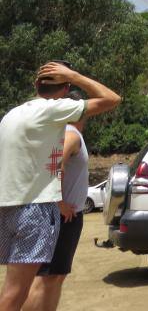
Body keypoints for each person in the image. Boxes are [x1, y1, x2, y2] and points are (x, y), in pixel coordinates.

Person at [0, 62, 121, 311]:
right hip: (34, 211)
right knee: (18, 293)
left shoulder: (12, 115)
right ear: (65, 90)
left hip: (8, 208)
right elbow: (112, 98)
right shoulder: (51, 111)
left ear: (36, 85)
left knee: (15, 290)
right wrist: (75, 76)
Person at [21, 101, 89, 311]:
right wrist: (59, 202)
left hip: (66, 216)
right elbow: (55, 163)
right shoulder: (71, 133)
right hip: (59, 216)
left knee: (56, 276)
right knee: (44, 277)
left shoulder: (63, 133)